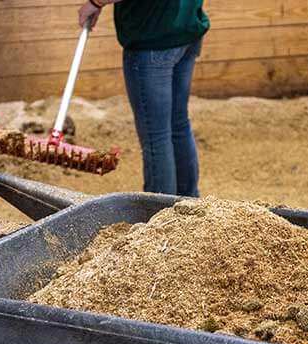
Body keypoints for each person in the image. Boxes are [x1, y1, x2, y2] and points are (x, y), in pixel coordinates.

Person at [78, 0, 210, 197]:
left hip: (153, 37)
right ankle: (190, 205)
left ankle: (159, 215)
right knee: (178, 125)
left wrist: (95, 3)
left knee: (157, 136)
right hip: (186, 26)